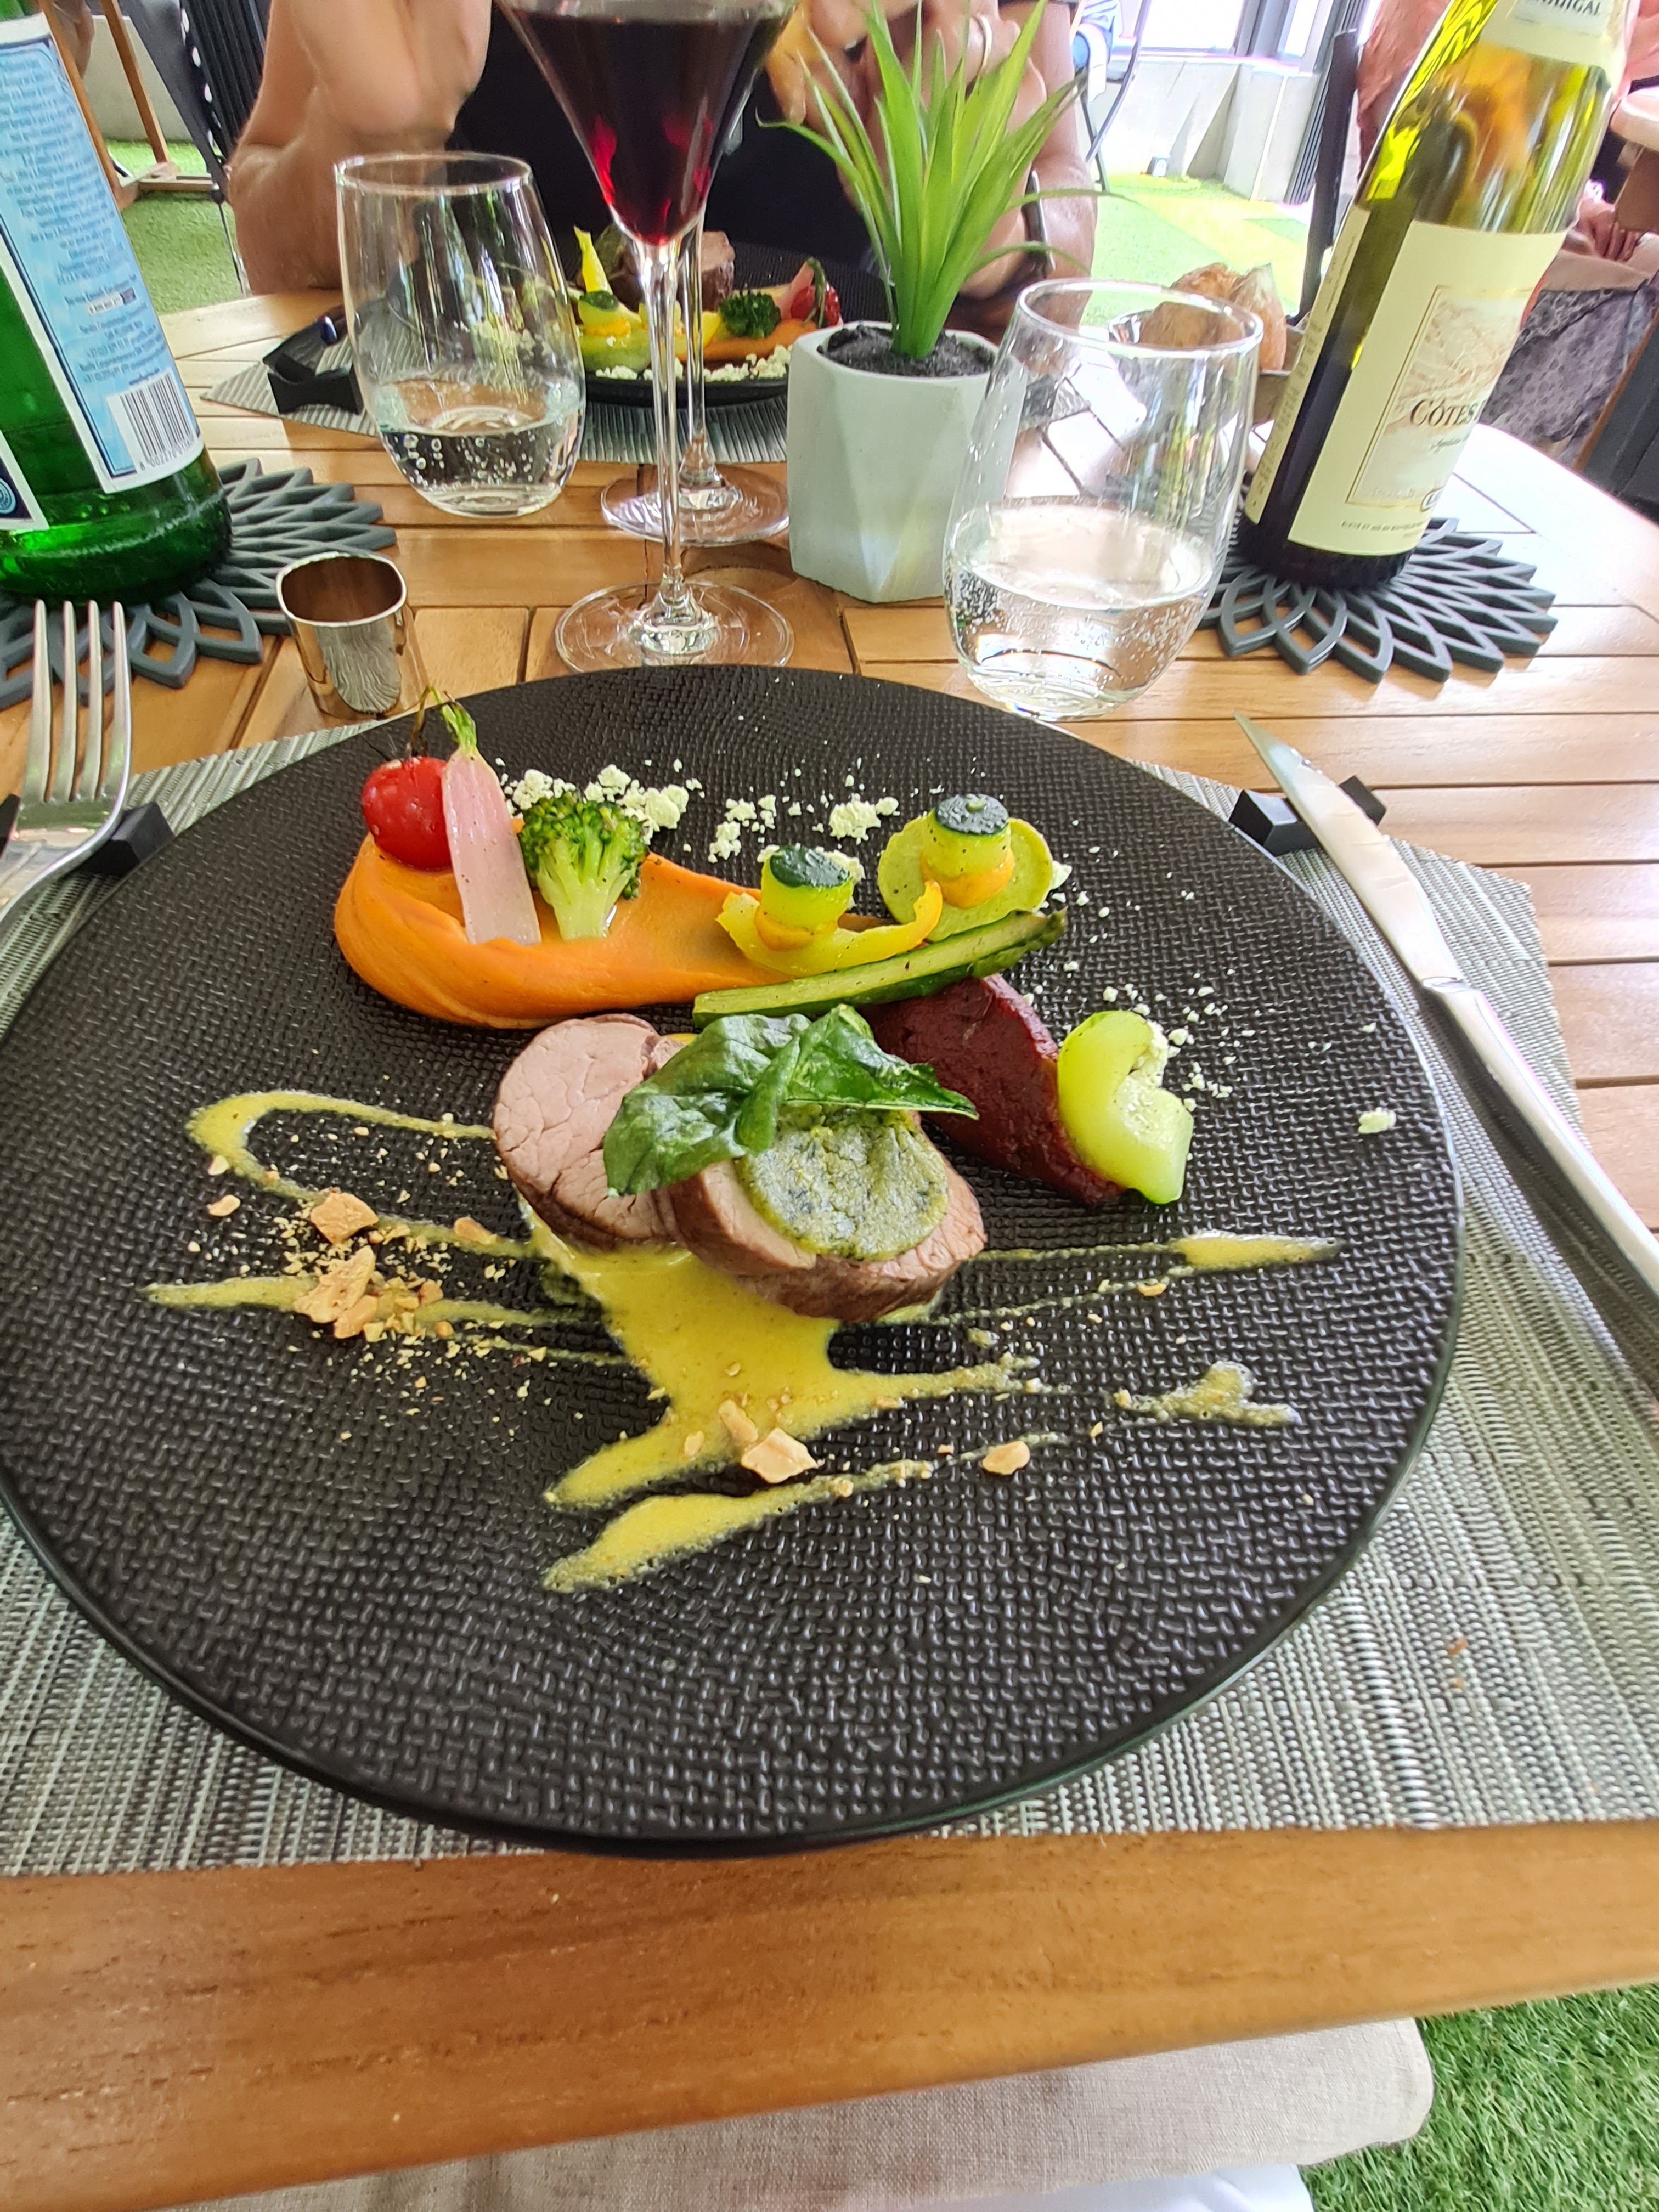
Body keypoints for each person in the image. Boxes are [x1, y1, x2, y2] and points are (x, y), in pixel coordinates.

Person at [228, 0, 1096, 312]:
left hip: (855, 459)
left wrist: (989, 223)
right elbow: (270, 255)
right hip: (489, 446)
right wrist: (372, 142)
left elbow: (1069, 211)